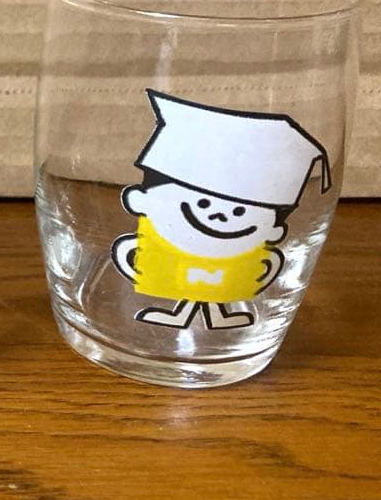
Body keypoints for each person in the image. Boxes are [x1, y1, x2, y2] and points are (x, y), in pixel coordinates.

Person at [112, 90, 329, 330]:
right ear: (140, 201)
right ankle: (182, 316)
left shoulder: (260, 257)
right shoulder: (150, 242)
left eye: (239, 211)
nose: (219, 216)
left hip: (249, 340)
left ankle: (217, 316)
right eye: (203, 203)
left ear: (274, 230)